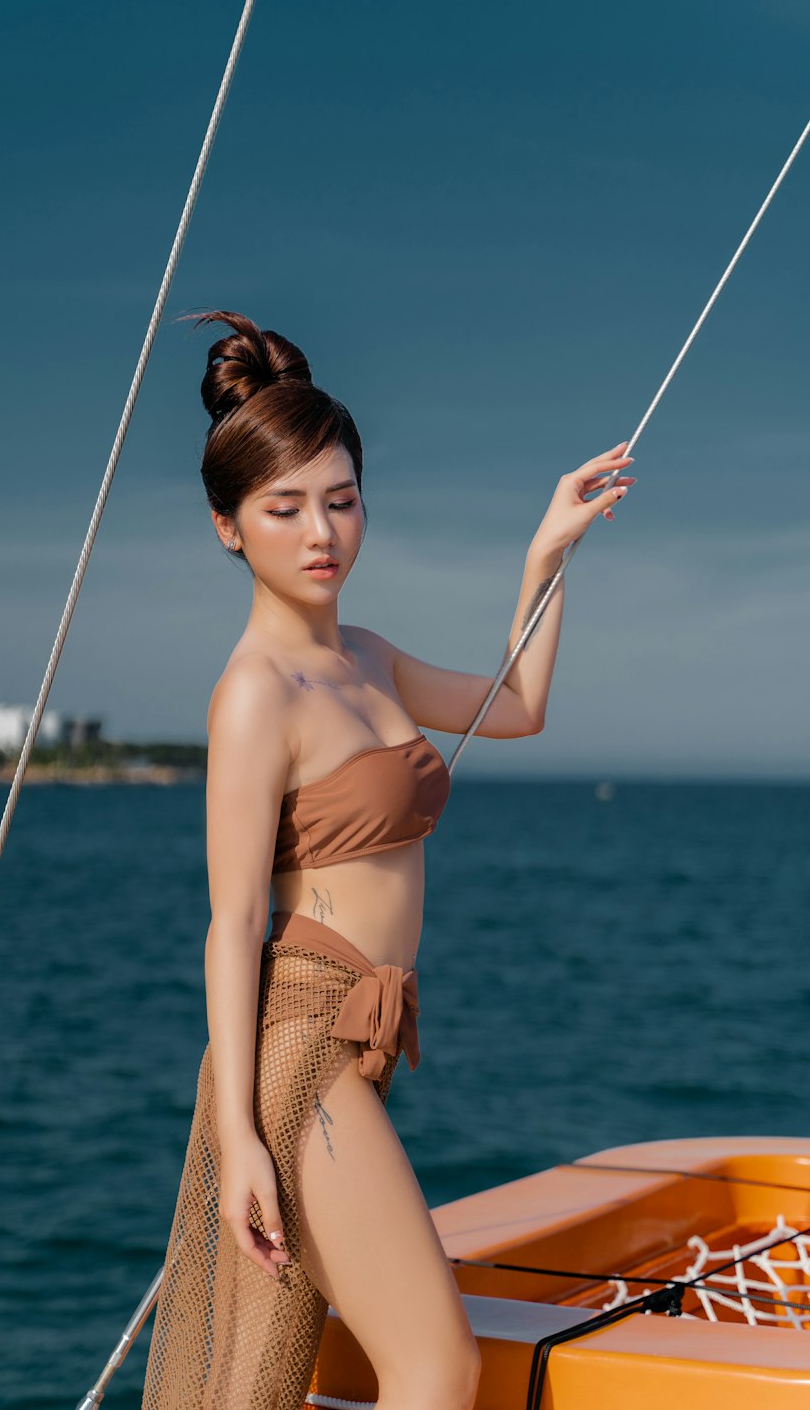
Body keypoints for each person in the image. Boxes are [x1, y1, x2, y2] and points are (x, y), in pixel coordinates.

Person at [140, 309, 635, 1410]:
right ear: (228, 527)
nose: (321, 532)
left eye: (341, 499)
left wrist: (545, 552)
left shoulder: (364, 657)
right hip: (299, 1048)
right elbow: (232, 925)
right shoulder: (255, 694)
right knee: (433, 1364)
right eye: (284, 508)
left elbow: (518, 706)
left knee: (282, 1376)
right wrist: (240, 1141)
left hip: (360, 1036)